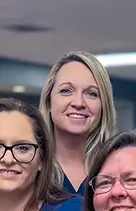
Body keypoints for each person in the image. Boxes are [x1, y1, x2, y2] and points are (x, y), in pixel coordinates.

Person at [40, 51, 118, 194]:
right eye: (66, 91)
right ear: (49, 101)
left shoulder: (119, 167)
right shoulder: (30, 166)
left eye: (91, 94)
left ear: (103, 106)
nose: (78, 103)